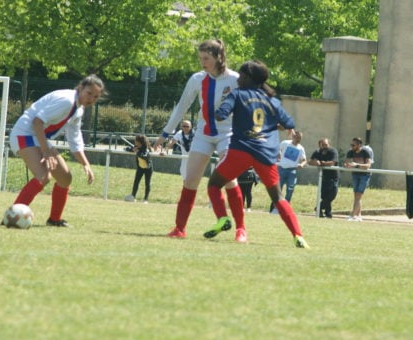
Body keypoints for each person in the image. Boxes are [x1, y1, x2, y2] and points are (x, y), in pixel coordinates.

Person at [205, 60, 309, 248]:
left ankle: (222, 218)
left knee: (214, 184)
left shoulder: (237, 94)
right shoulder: (272, 100)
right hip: (266, 153)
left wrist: (223, 105)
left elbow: (221, 115)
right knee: (278, 197)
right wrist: (272, 125)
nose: (238, 78)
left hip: (241, 150)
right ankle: (298, 235)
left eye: (241, 75)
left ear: (248, 78)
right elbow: (289, 122)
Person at [154, 39, 245, 239]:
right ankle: (180, 229)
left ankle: (240, 230)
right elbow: (181, 107)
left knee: (228, 179)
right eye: (200, 58)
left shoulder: (235, 79)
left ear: (218, 57)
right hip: (203, 134)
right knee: (190, 179)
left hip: (228, 134)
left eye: (206, 58)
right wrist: (165, 134)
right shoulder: (197, 79)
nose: (202, 62)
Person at [8, 75, 104, 227]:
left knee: (65, 178)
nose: (91, 98)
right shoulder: (67, 101)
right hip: (24, 134)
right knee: (43, 176)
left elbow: (75, 139)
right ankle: (11, 217)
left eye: (96, 96)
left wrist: (85, 164)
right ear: (80, 88)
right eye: (89, 93)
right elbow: (37, 122)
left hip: (38, 137)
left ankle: (54, 219)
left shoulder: (78, 110)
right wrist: (46, 152)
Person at [269, 130, 306, 214]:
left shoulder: (301, 148)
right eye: (297, 137)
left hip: (292, 171)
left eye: (300, 138)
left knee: (290, 189)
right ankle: (274, 208)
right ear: (293, 136)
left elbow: (304, 160)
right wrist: (278, 156)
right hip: (282, 169)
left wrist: (302, 164)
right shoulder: (285, 143)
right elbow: (277, 150)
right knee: (278, 189)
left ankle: (285, 209)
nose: (298, 139)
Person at [308, 138, 339, 218]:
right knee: (325, 196)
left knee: (332, 195)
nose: (324, 146)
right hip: (323, 177)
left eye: (326, 144)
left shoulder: (333, 151)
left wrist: (321, 163)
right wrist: (315, 162)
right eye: (323, 145)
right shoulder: (318, 152)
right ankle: (327, 214)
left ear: (329, 144)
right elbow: (310, 162)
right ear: (320, 145)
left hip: (333, 177)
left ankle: (318, 208)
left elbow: (333, 162)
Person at [344, 137, 372, 221]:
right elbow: (346, 162)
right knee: (356, 195)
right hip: (355, 175)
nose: (351, 146)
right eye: (351, 144)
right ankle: (359, 215)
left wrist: (356, 165)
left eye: (353, 145)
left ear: (359, 145)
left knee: (358, 195)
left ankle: (353, 215)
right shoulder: (350, 152)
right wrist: (347, 164)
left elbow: (368, 165)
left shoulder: (365, 152)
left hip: (365, 175)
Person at [124, 134, 153, 203]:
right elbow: (127, 148)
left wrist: (137, 152)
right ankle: (133, 196)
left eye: (136, 141)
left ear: (140, 142)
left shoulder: (146, 149)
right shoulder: (136, 147)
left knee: (147, 183)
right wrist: (132, 149)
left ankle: (145, 199)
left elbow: (144, 156)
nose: (135, 142)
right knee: (136, 181)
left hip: (147, 168)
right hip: (140, 167)